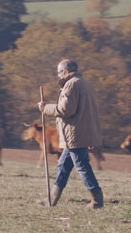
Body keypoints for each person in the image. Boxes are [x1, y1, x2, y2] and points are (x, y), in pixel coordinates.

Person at [37, 59, 103, 209]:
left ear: (66, 71)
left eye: (59, 73)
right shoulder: (85, 83)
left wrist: (45, 108)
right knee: (63, 166)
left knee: (82, 166)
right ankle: (52, 199)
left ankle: (97, 201)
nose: (58, 77)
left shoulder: (71, 84)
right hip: (82, 132)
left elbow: (66, 110)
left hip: (75, 133)